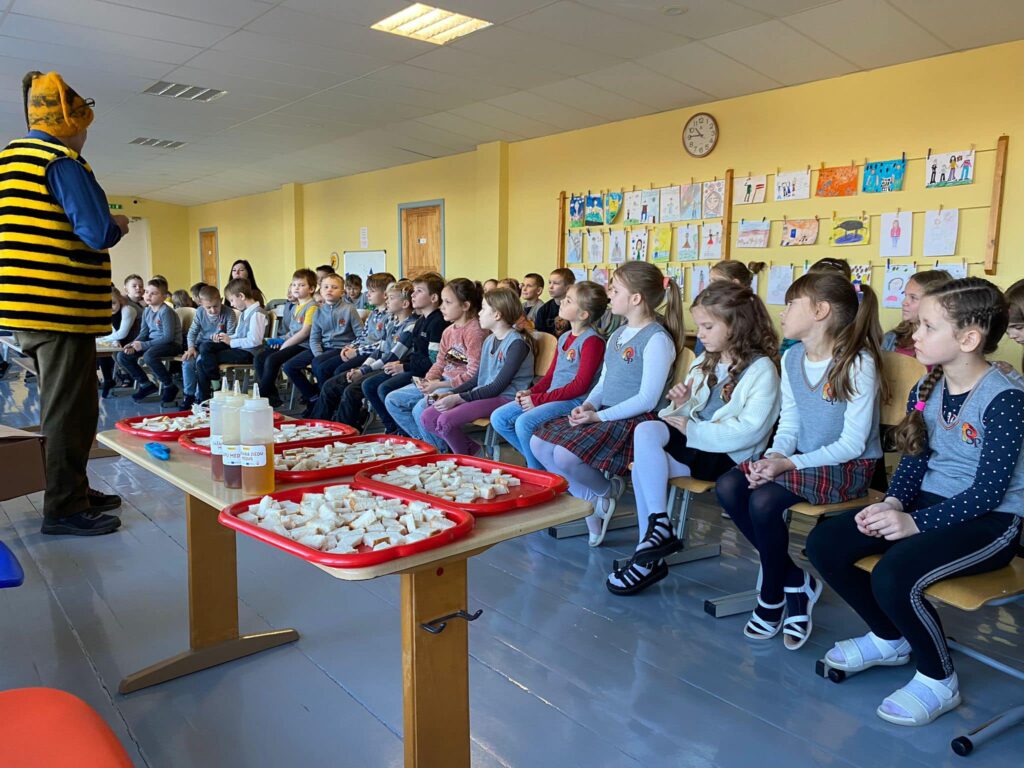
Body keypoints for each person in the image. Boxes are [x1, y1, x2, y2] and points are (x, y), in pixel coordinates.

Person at [808, 278, 1024, 727]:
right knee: (826, 543)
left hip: (992, 522)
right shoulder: (927, 387)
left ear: (968, 339)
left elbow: (988, 493)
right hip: (931, 505)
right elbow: (913, 464)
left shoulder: (1006, 398)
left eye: (928, 326)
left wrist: (914, 525)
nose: (915, 333)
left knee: (895, 572)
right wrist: (892, 504)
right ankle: (890, 637)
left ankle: (938, 678)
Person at [716, 272, 887, 650]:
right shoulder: (792, 357)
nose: (782, 311)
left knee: (764, 500)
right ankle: (795, 581)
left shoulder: (857, 362)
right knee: (729, 485)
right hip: (801, 460)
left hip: (849, 467)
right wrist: (774, 456)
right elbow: (790, 423)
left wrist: (787, 465)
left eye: (792, 303)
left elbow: (852, 444)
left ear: (820, 311)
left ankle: (772, 595)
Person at [0, 71, 129, 535]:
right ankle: (64, 507)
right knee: (69, 411)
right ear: (71, 124)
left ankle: (75, 488)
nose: (86, 135)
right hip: (59, 309)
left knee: (69, 404)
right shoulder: (61, 161)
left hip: (26, 308)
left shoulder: (9, 159)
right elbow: (96, 231)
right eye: (84, 125)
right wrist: (118, 222)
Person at [607, 282, 781, 595]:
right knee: (645, 432)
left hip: (727, 454)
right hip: (696, 440)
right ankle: (657, 529)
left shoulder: (761, 369)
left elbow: (750, 430)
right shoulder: (706, 360)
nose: (700, 334)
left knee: (646, 468)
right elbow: (685, 414)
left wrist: (692, 427)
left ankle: (649, 552)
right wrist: (682, 402)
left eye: (708, 326)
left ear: (737, 326)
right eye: (700, 326)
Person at [531, 262, 684, 546]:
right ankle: (595, 499)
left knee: (565, 456)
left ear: (635, 298)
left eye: (614, 289)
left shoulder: (657, 339)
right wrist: (589, 406)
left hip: (636, 420)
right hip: (605, 413)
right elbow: (603, 382)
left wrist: (598, 418)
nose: (609, 294)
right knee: (538, 443)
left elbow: (647, 399)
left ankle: (602, 497)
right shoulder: (618, 334)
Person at [492, 281, 607, 469]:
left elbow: (580, 386)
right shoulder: (564, 337)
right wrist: (532, 393)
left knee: (524, 423)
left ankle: (536, 470)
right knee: (499, 418)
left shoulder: (592, 341)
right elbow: (551, 376)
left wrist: (539, 400)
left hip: (576, 401)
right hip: (554, 396)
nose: (562, 302)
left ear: (583, 314)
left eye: (569, 301)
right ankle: (541, 464)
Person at [421, 288, 534, 455]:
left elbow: (497, 387)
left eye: (483, 308)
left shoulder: (517, 344)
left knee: (445, 421)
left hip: (505, 398)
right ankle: (473, 450)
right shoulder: (490, 339)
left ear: (497, 315)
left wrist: (458, 398)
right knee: (427, 417)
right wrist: (451, 393)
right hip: (485, 394)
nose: (479, 313)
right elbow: (477, 379)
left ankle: (465, 460)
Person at [385, 278, 486, 442]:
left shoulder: (475, 332)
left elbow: (474, 375)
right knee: (393, 399)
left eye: (447, 302)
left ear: (465, 306)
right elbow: (440, 363)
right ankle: (425, 442)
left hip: (460, 388)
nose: (442, 307)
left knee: (420, 410)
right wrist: (428, 380)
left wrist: (438, 385)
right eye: (442, 301)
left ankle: (438, 450)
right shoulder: (448, 331)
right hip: (441, 382)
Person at [365, 273, 448, 434]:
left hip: (426, 373)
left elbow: (433, 361)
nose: (413, 295)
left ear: (433, 298)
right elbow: (417, 353)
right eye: (413, 291)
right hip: (415, 368)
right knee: (369, 384)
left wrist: (404, 367)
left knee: (384, 389)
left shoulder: (438, 322)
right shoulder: (421, 321)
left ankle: (405, 432)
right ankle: (393, 428)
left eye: (419, 291)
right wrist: (401, 363)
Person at [332, 280, 418, 429]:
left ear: (405, 304)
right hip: (383, 365)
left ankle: (390, 427)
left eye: (391, 298)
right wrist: (362, 368)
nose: (387, 300)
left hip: (395, 367)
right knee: (337, 383)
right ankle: (338, 425)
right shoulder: (391, 322)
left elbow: (392, 357)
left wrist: (363, 371)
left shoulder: (411, 326)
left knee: (357, 388)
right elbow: (380, 350)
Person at [283, 272, 362, 415]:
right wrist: (319, 354)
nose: (329, 290)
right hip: (323, 348)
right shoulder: (318, 312)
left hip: (341, 348)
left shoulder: (349, 309)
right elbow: (314, 339)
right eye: (326, 287)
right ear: (320, 291)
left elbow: (361, 334)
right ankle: (314, 397)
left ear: (342, 292)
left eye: (334, 287)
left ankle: (325, 404)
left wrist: (351, 347)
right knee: (289, 366)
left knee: (320, 366)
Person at [253, 269, 317, 408]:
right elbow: (292, 331)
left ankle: (262, 396)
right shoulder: (296, 307)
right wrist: (279, 340)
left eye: (301, 285)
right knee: (260, 357)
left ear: (311, 289)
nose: (296, 288)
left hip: (304, 345)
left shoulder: (312, 307)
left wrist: (285, 344)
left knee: (272, 359)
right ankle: (271, 397)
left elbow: (305, 333)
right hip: (292, 343)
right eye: (294, 285)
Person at [195, 278, 267, 401]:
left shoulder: (257, 313)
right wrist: (225, 337)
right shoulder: (245, 312)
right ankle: (213, 386)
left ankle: (207, 395)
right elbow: (238, 334)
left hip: (249, 353)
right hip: (239, 348)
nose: (232, 304)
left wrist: (231, 342)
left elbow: (255, 341)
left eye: (232, 300)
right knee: (205, 346)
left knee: (202, 362)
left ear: (241, 296)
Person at [116, 278, 183, 404]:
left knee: (149, 356)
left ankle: (169, 386)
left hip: (172, 344)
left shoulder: (166, 312)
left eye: (154, 293)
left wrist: (143, 345)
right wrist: (133, 344)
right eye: (147, 292)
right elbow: (143, 333)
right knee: (122, 356)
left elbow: (168, 337)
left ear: (164, 297)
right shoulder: (147, 311)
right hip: (153, 343)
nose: (148, 295)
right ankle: (146, 384)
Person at [180, 284, 236, 409]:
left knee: (201, 362)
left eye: (216, 306)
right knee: (187, 361)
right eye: (208, 307)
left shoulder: (229, 313)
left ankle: (200, 396)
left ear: (221, 300)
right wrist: (191, 348)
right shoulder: (200, 312)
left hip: (218, 346)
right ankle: (188, 395)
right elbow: (192, 333)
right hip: (200, 344)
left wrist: (221, 337)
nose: (213, 310)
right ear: (201, 304)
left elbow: (231, 335)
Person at [882, 270, 952, 356]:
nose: (904, 302)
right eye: (905, 295)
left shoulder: (949, 342)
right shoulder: (891, 337)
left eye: (913, 297)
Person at [97, 285, 140, 398]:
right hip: (125, 341)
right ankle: (108, 379)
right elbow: (113, 332)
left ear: (120, 300)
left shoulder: (128, 310)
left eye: (113, 303)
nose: (110, 307)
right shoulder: (108, 313)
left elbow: (122, 333)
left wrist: (100, 339)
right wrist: (113, 340)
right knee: (103, 349)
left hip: (138, 340)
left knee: (106, 346)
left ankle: (130, 378)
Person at [534, 268, 575, 336]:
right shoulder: (543, 310)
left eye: (556, 283)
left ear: (568, 288)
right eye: (550, 282)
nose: (550, 287)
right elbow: (540, 336)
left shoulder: (576, 309)